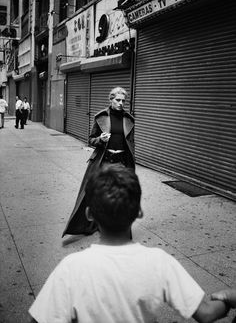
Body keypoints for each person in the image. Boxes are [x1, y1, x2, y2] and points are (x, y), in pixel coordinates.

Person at [29, 165, 231, 323]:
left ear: (89, 214)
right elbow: (206, 314)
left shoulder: (71, 268)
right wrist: (227, 297)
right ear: (139, 212)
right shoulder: (159, 262)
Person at [62, 86, 135, 237]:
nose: (121, 103)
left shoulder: (128, 119)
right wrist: (100, 140)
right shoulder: (101, 117)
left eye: (123, 100)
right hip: (104, 161)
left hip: (121, 162)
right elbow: (90, 139)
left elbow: (131, 143)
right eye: (118, 100)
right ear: (111, 100)